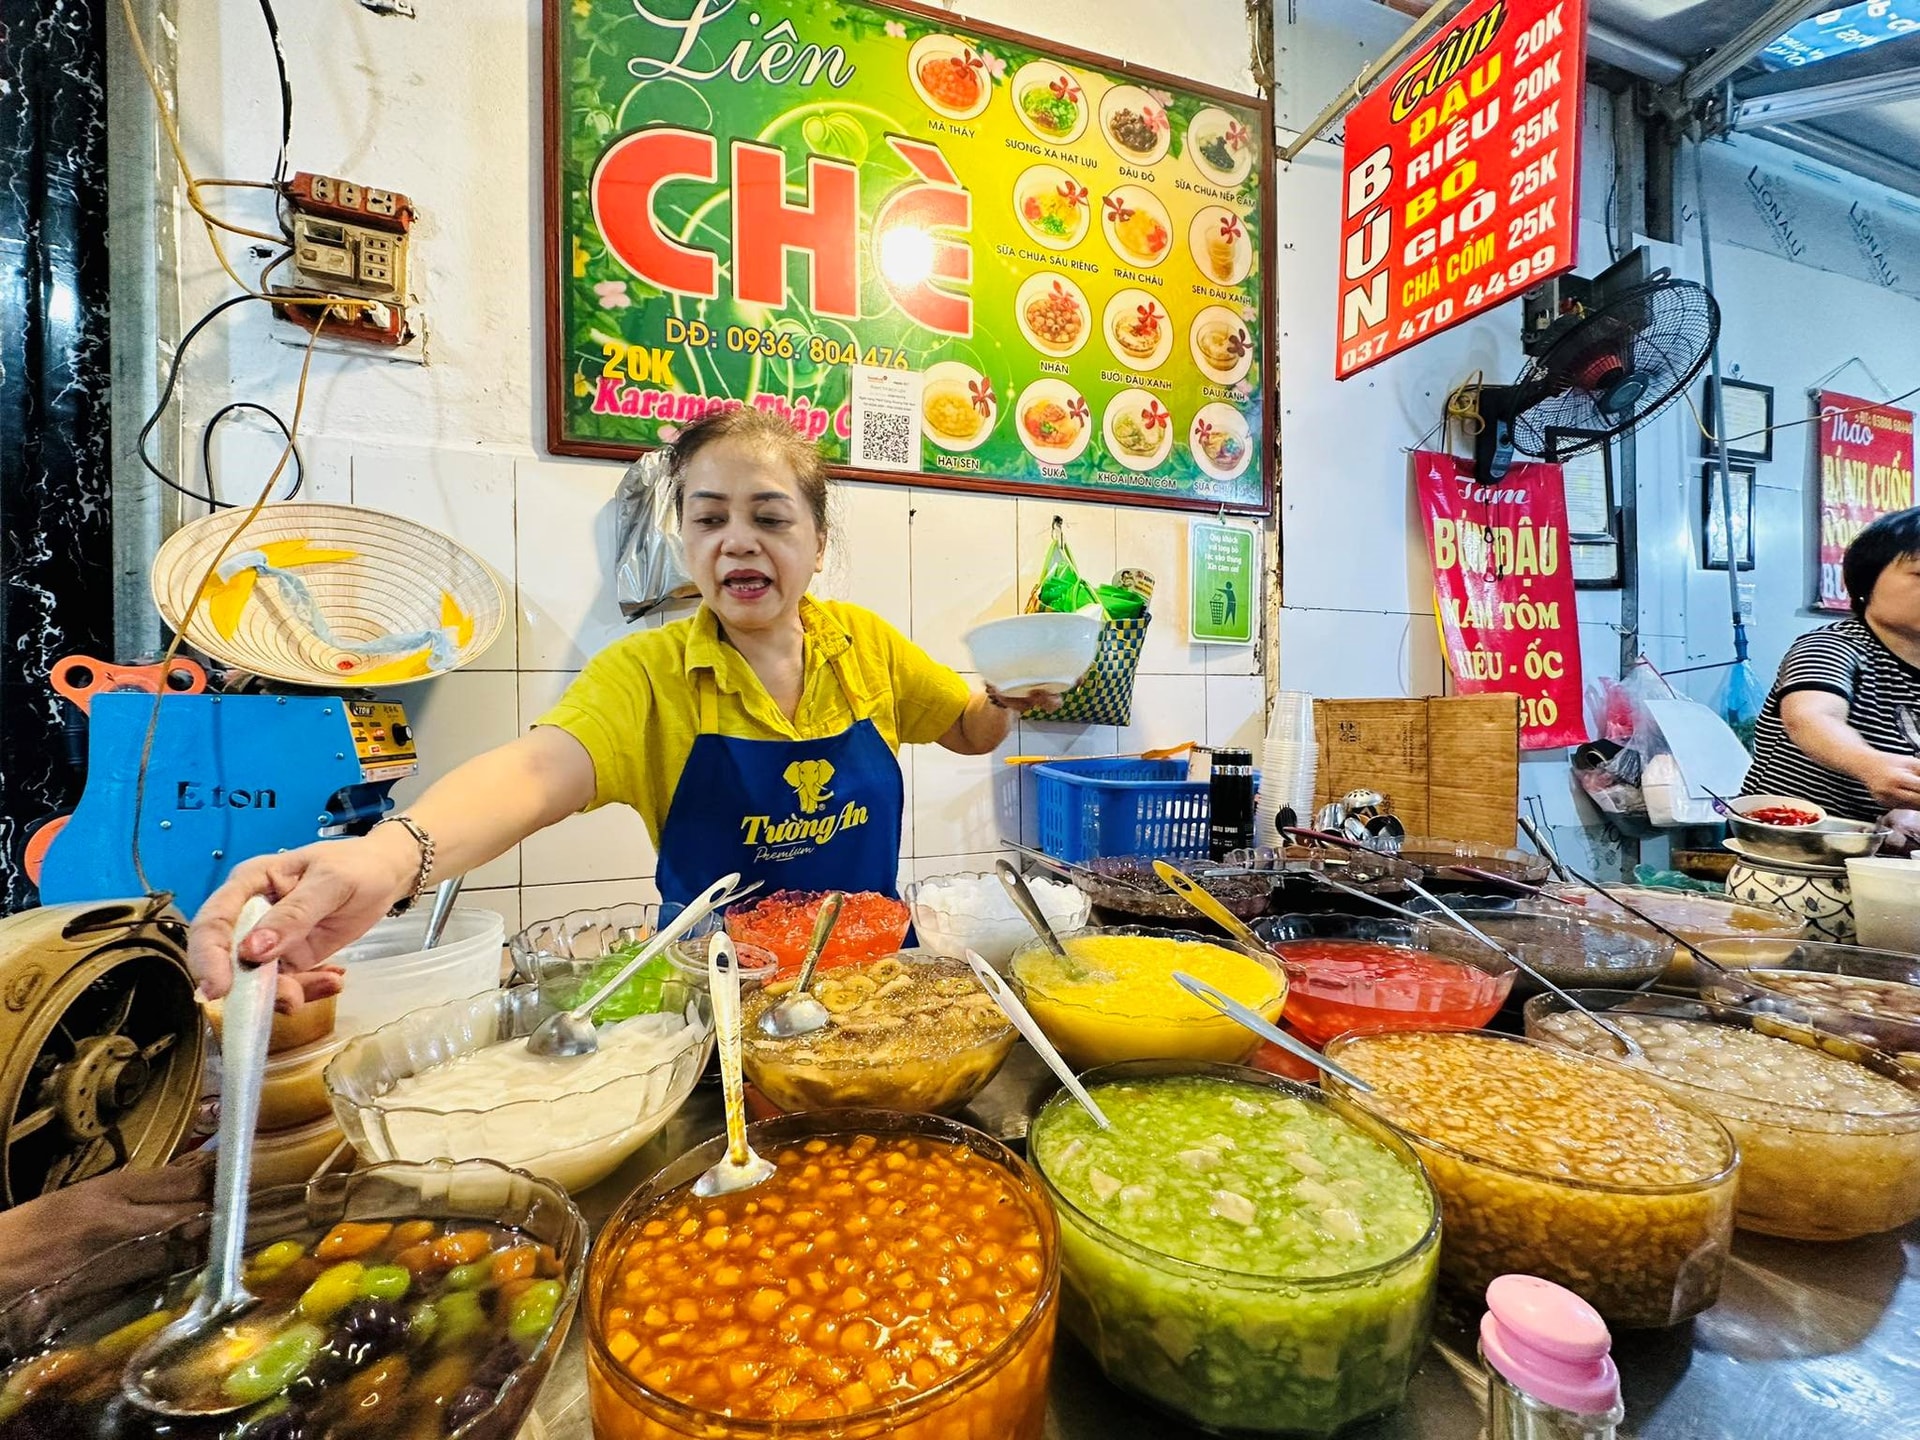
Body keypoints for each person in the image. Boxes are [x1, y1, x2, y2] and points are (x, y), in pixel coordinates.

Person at [189, 407, 1055, 1001]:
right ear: (687, 540)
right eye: (709, 519)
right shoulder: (647, 672)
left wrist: (1004, 700)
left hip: (878, 985)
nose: (738, 540)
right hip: (726, 996)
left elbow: (968, 731)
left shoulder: (865, 646)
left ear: (818, 542)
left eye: (770, 517)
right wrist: (383, 861)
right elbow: (533, 770)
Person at [1743, 506, 1920, 822]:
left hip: (1880, 862)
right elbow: (1810, 715)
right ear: (1867, 581)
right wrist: (1869, 764)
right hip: (1789, 849)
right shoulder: (1834, 646)